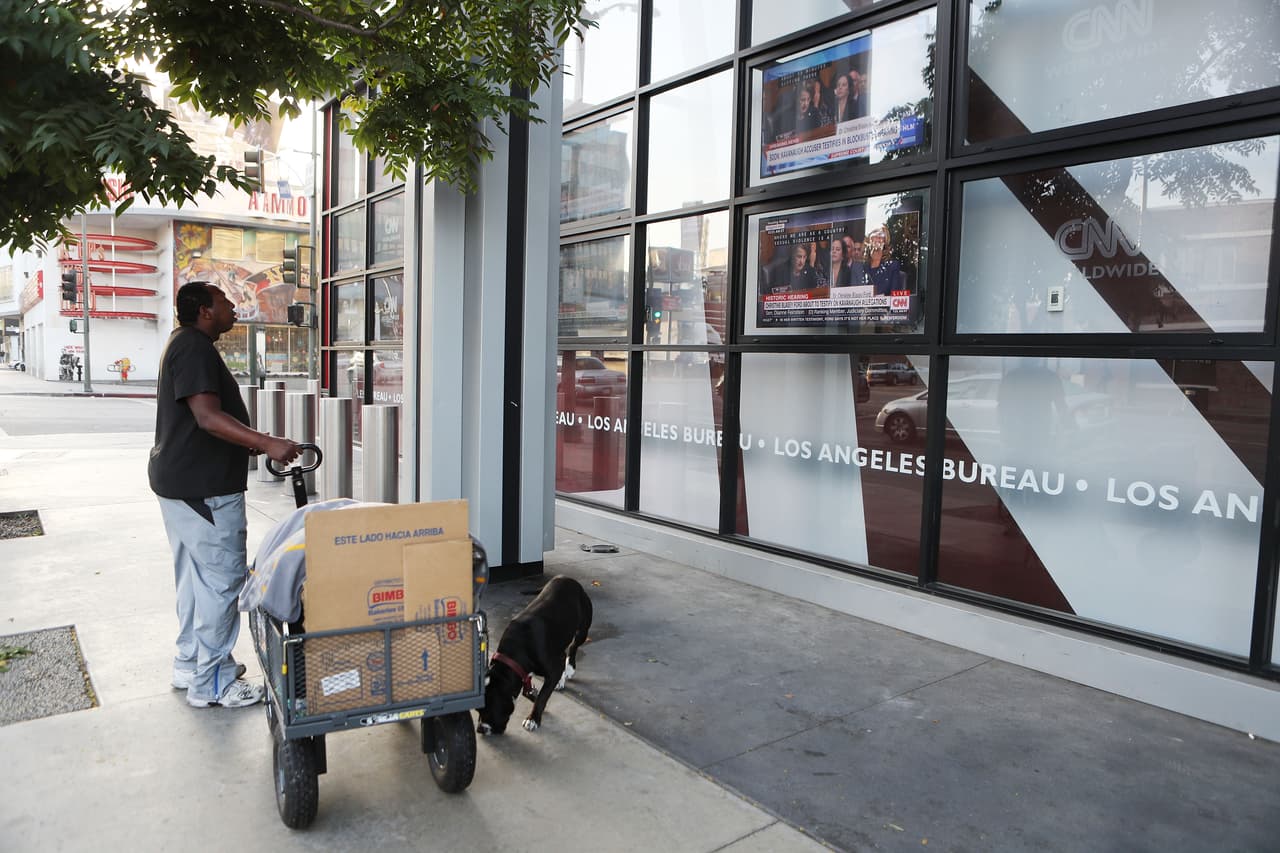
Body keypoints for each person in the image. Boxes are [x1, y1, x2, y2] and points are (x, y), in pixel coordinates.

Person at [149, 281, 301, 708]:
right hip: (205, 490)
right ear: (204, 311)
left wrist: (248, 442)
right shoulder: (194, 347)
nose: (233, 306)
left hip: (182, 485)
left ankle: (190, 662)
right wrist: (267, 442)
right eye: (223, 301)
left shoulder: (182, 343)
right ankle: (212, 681)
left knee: (194, 580)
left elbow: (206, 418)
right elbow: (207, 417)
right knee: (222, 582)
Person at [865, 226, 905, 295]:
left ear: (885, 241)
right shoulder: (862, 266)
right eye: (875, 234)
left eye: (881, 235)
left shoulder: (893, 266)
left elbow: (894, 295)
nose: (878, 238)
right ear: (870, 239)